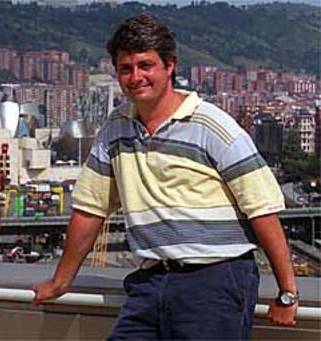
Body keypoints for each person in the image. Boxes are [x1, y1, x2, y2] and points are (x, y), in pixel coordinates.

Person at [33, 13, 298, 340]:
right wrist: (61, 280)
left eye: (146, 65)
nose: (136, 77)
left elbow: (263, 212)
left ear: (169, 66)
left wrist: (287, 292)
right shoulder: (114, 130)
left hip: (214, 280)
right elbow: (90, 209)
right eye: (126, 69)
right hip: (150, 282)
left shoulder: (213, 126)